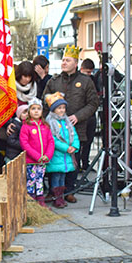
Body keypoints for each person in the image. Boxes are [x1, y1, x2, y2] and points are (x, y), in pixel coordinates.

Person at [41, 44, 99, 191]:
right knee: (55, 160)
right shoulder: (54, 81)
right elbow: (44, 102)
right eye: (63, 60)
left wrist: (78, 117)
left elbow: (93, 103)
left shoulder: (86, 81)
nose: (64, 63)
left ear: (76, 63)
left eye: (67, 60)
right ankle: (55, 190)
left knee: (74, 159)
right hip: (56, 130)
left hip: (76, 128)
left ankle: (70, 190)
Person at [44, 92, 80, 209]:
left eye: (63, 108)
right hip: (57, 155)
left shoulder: (66, 121)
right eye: (59, 108)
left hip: (66, 156)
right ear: (53, 109)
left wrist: (74, 146)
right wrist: (66, 148)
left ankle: (61, 196)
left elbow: (74, 134)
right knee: (56, 177)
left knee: (62, 177)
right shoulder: (50, 122)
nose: (62, 110)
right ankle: (56, 197)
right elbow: (53, 139)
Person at [19, 98, 54, 207]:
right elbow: (24, 144)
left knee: (40, 180)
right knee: (31, 181)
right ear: (29, 111)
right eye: (33, 108)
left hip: (42, 161)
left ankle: (40, 201)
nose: (36, 111)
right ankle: (30, 202)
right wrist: (37, 156)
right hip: (31, 161)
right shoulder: (26, 127)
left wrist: (47, 156)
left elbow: (50, 141)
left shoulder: (45, 126)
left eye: (38, 109)